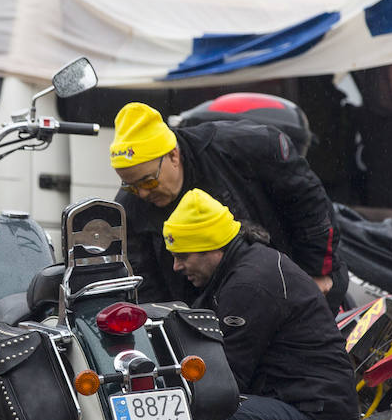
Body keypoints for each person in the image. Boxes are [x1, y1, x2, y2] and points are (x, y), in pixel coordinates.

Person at [153, 189, 359, 420]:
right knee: (188, 409)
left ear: (212, 247)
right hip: (306, 408)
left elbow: (226, 380)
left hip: (318, 419)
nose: (176, 267)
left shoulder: (249, 284)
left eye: (183, 256)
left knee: (192, 415)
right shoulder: (239, 267)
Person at [110, 101, 347, 311]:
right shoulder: (128, 209)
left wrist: (317, 272)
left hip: (298, 275)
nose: (142, 193)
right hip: (205, 308)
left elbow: (310, 207)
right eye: (131, 186)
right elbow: (145, 285)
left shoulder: (246, 147)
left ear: (173, 156)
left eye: (149, 181)